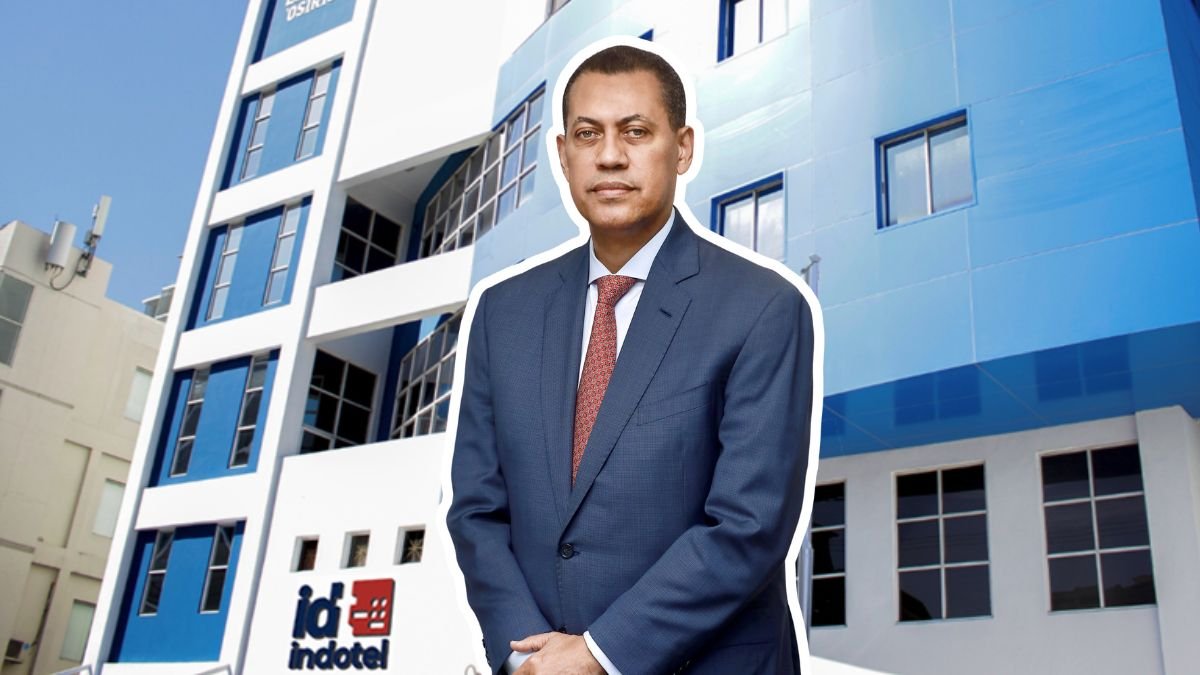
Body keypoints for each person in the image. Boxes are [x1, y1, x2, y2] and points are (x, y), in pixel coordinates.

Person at [446, 42, 817, 675]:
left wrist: (597, 655)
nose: (610, 155)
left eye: (636, 131)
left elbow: (748, 526)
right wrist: (525, 655)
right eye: (588, 134)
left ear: (683, 148)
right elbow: (478, 509)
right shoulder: (502, 314)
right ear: (563, 155)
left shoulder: (762, 307)